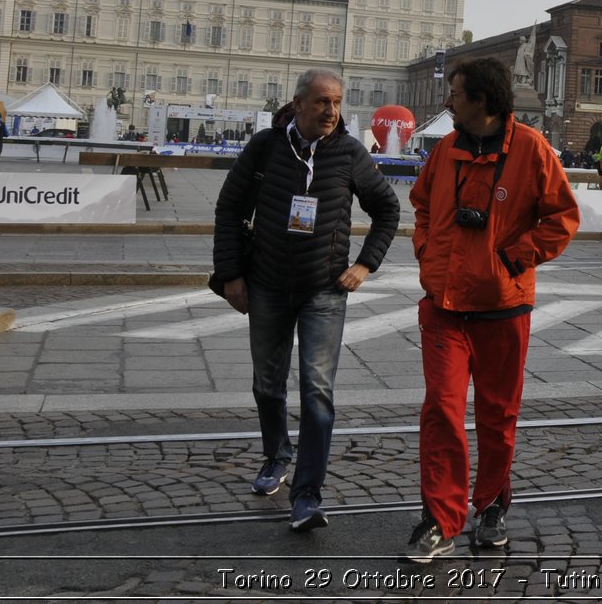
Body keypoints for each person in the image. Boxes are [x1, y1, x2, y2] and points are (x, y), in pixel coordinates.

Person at [402, 58, 580, 564]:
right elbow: (421, 206)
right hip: (444, 306)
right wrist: (427, 252)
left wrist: (512, 258)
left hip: (503, 307)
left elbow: (562, 217)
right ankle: (441, 517)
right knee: (442, 408)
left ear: (481, 100)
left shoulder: (531, 149)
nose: (448, 101)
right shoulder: (445, 151)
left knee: (498, 417)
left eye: (455, 94)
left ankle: (491, 505)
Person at [211, 69, 400, 533]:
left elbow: (388, 209)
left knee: (317, 392)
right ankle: (276, 455)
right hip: (267, 284)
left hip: (324, 290)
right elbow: (229, 209)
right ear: (297, 104)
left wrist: (365, 265)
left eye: (336, 103)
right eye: (321, 102)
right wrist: (231, 276)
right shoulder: (265, 147)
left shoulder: (350, 153)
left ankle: (307, 495)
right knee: (267, 383)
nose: (331, 112)